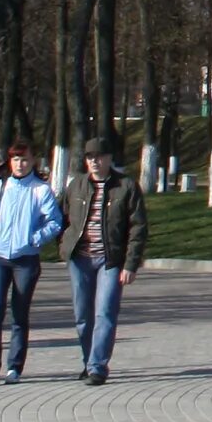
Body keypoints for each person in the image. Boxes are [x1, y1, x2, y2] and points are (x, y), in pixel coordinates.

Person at [0, 139, 66, 385]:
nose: (20, 164)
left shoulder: (40, 190)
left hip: (26, 260)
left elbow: (54, 221)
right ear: (10, 162)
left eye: (24, 159)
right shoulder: (0, 187)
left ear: (33, 161)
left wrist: (35, 238)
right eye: (15, 159)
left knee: (19, 314)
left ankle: (15, 367)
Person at [60, 135, 148, 384]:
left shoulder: (126, 187)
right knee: (82, 315)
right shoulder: (76, 186)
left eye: (99, 157)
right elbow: (63, 219)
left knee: (105, 313)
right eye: (90, 157)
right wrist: (64, 248)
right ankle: (88, 361)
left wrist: (131, 264)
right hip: (80, 260)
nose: (94, 162)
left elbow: (138, 227)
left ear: (109, 158)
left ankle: (98, 366)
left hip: (110, 261)